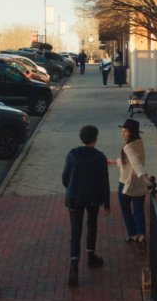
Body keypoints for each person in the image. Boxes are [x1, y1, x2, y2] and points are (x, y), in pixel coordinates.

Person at [62, 125, 111, 288]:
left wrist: (71, 188)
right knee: (92, 225)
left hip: (74, 197)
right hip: (92, 198)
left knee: (76, 231)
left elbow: (65, 177)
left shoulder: (72, 154)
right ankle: (91, 256)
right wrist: (107, 203)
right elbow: (104, 182)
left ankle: (73, 267)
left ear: (81, 138)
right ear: (95, 139)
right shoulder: (99, 158)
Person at [108, 119, 149, 244]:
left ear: (131, 133)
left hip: (126, 183)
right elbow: (132, 161)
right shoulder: (139, 142)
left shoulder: (128, 147)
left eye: (125, 131)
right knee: (138, 210)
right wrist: (115, 162)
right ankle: (141, 234)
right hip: (139, 185)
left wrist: (145, 177)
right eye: (122, 131)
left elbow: (136, 163)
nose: (123, 134)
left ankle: (132, 234)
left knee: (126, 210)